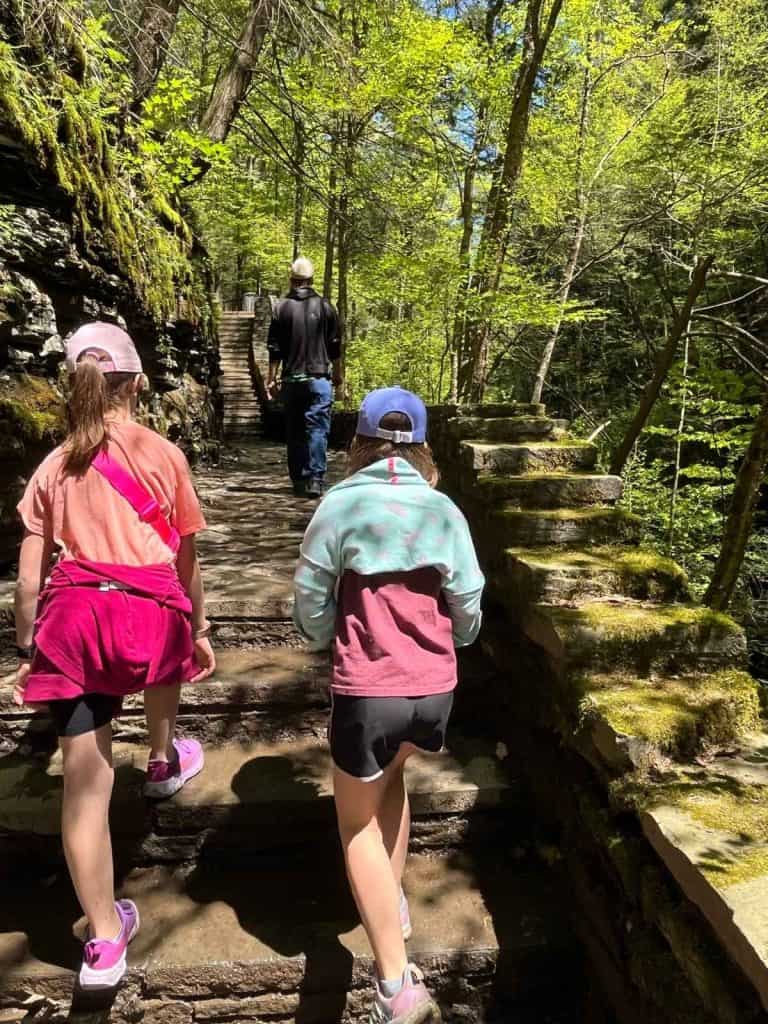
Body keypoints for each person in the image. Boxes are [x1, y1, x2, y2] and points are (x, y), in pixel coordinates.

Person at [13, 322, 215, 990]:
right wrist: (201, 627)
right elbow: (185, 555)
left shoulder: (54, 465)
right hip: (150, 611)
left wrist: (26, 643)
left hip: (76, 621)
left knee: (83, 789)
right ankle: (161, 759)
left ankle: (102, 939)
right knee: (162, 665)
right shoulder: (163, 454)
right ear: (137, 383)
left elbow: (31, 570)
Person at [293, 387, 484, 1024]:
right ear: (424, 445)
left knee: (354, 825)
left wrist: (322, 637)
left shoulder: (340, 505)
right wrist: (458, 638)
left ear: (360, 444)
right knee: (393, 781)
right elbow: (468, 595)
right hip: (434, 690)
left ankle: (395, 985)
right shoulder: (442, 509)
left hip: (367, 691)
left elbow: (311, 594)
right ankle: (390, 901)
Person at [266, 257, 343, 498]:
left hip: (292, 379)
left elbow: (274, 348)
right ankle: (315, 480)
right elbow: (335, 347)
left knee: (295, 430)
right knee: (317, 428)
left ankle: (298, 479)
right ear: (311, 280)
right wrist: (339, 377)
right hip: (319, 378)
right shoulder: (326, 307)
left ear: (292, 280)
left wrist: (271, 379)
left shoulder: (281, 308)